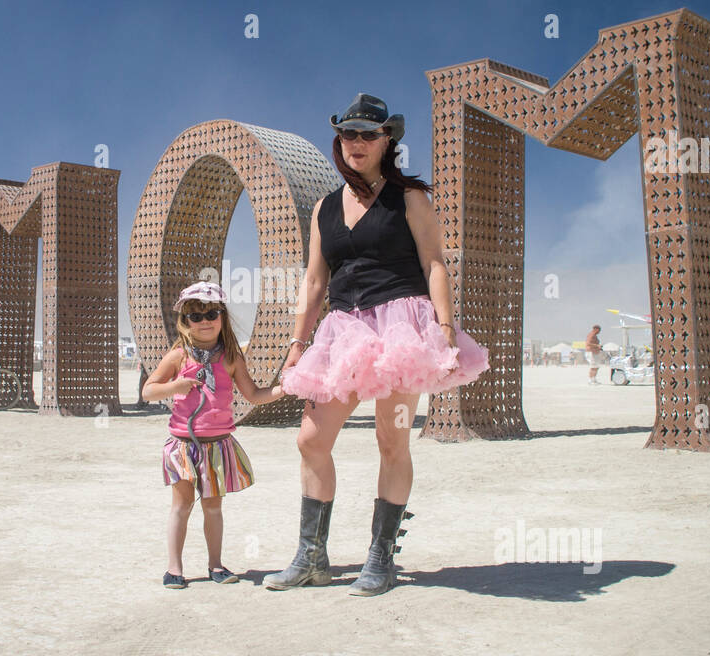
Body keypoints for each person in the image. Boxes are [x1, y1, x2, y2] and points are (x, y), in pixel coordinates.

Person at [272, 93, 490, 597]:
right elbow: (313, 281)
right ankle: (312, 557)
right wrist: (297, 341)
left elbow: (434, 261)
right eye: (348, 133)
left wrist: (445, 326)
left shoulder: (409, 197)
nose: (356, 142)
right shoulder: (325, 208)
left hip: (400, 330)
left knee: (391, 441)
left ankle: (381, 556)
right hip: (343, 330)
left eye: (368, 134)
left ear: (387, 140)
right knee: (310, 439)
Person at [142, 281, 285, 588]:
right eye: (195, 315)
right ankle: (174, 568)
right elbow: (148, 390)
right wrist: (175, 387)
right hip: (184, 445)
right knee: (181, 506)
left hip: (217, 447)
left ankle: (215, 565)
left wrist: (284, 389)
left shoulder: (231, 357)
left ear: (222, 317)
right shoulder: (178, 357)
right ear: (185, 321)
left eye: (212, 313)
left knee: (213, 507)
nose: (205, 320)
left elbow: (254, 395)